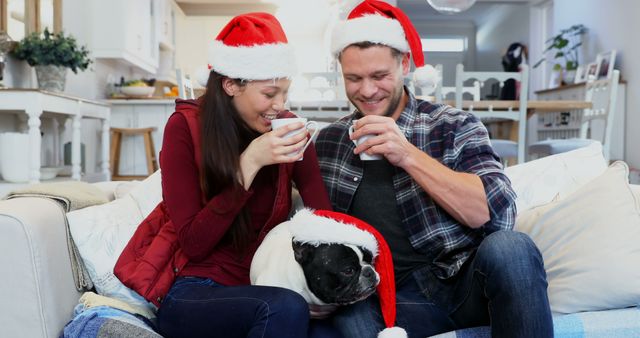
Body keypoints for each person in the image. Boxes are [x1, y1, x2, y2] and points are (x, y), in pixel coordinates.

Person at [315, 1, 553, 337]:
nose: (367, 91)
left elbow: (496, 215)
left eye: (380, 76)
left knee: (512, 248)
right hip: (393, 297)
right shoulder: (330, 142)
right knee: (349, 314)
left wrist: (407, 155)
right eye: (354, 78)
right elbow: (308, 228)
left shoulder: (453, 125)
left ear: (405, 64)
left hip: (462, 284)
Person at [114, 12, 335, 338]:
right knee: (284, 308)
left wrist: (322, 284)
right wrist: (249, 163)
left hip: (266, 283)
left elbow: (322, 218)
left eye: (285, 94)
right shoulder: (186, 128)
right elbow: (193, 243)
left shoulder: (287, 129)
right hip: (196, 289)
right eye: (270, 94)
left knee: (330, 326)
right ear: (230, 84)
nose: (280, 106)